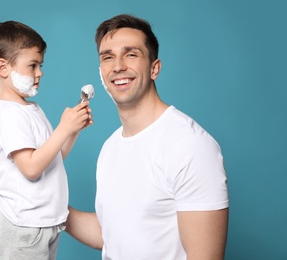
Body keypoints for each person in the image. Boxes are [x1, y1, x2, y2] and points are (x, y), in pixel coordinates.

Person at [65, 14, 229, 260]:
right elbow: (111, 235)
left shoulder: (190, 145)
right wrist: (49, 207)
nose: (118, 66)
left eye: (131, 54)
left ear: (154, 68)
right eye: (107, 57)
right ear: (101, 71)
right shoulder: (110, 148)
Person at [0, 21, 92, 260]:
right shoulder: (7, 113)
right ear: (3, 67)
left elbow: (51, 159)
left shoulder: (30, 109)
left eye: (40, 65)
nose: (40, 72)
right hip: (24, 228)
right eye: (32, 65)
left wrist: (73, 130)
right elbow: (31, 168)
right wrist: (63, 129)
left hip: (45, 223)